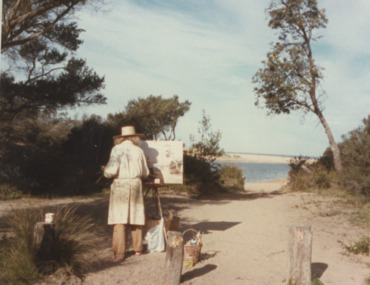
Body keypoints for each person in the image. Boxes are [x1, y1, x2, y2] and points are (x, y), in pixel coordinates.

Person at [103, 125, 149, 261]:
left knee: (120, 218)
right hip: (135, 184)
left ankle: (119, 253)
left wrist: (105, 171)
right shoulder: (139, 150)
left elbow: (111, 171)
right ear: (134, 137)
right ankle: (138, 249)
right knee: (136, 217)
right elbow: (145, 173)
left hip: (121, 185)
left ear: (121, 138)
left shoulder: (116, 149)